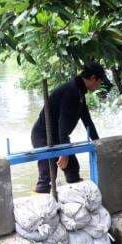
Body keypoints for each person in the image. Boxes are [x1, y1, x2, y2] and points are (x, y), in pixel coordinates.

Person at [31, 62, 109, 194]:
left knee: (73, 169)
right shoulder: (71, 92)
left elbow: (87, 121)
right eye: (100, 82)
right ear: (93, 78)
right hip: (44, 136)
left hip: (58, 137)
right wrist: (64, 151)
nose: (99, 85)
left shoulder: (79, 92)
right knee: (48, 177)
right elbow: (63, 125)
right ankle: (40, 208)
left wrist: (98, 143)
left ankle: (77, 201)